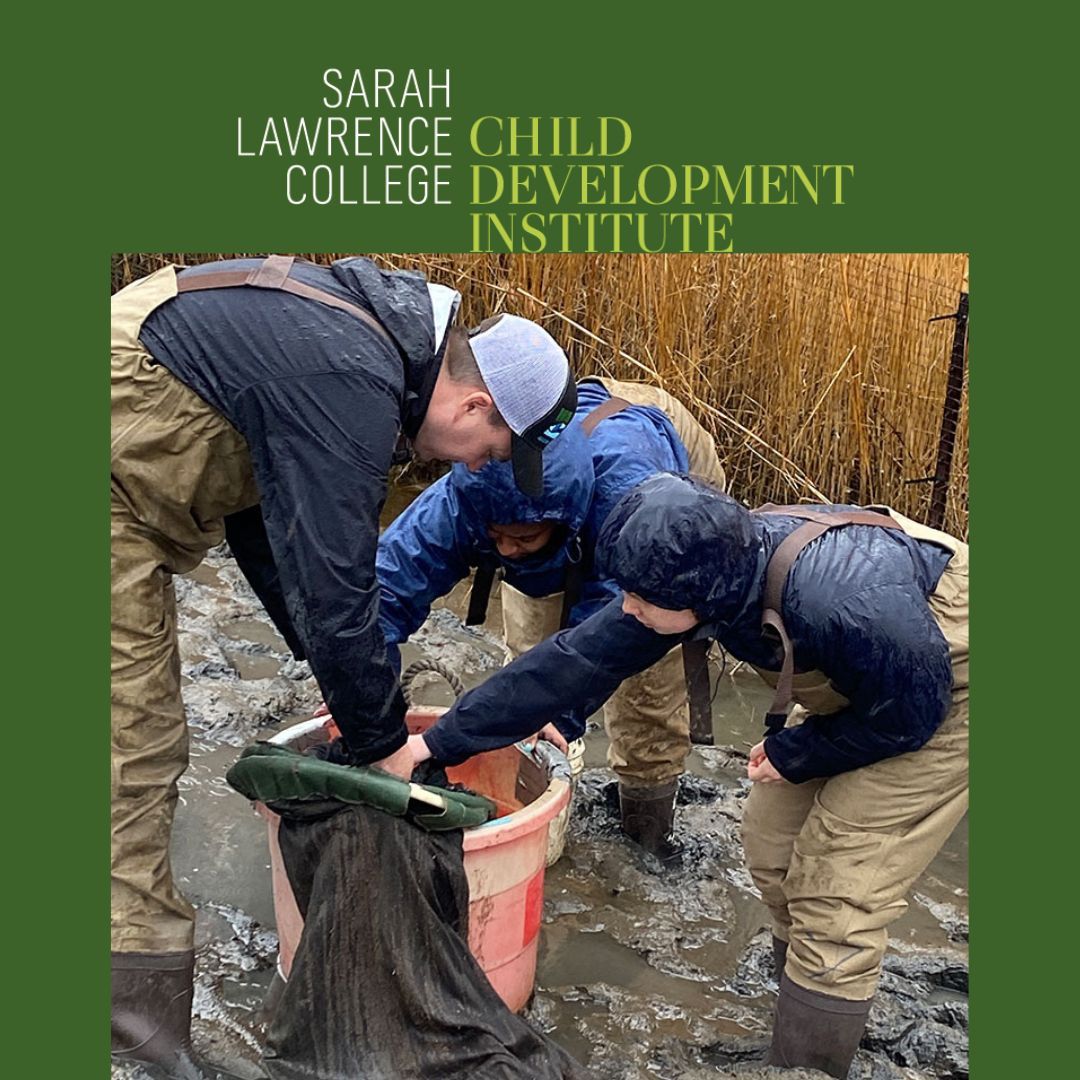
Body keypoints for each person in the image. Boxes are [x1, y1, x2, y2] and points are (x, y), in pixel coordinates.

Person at [110, 254, 576, 1080]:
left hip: (141, 446)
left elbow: (265, 517)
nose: (477, 467)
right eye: (492, 447)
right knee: (133, 746)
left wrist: (334, 673)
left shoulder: (362, 350)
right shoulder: (351, 374)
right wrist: (383, 738)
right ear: (473, 401)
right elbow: (339, 579)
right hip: (113, 474)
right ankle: (138, 1040)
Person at [410, 473, 968, 1079]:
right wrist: (435, 744)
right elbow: (574, 662)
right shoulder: (693, 574)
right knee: (772, 842)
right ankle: (808, 1007)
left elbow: (912, 716)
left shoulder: (839, 603)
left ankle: (804, 1066)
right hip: (873, 678)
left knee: (838, 886)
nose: (627, 608)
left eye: (640, 599)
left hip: (948, 692)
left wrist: (801, 751)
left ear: (699, 598)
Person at [376, 377, 726, 860]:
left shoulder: (634, 506)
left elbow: (606, 644)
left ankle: (646, 831)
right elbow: (387, 587)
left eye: (520, 540)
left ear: (559, 523)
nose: (504, 550)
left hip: (655, 461)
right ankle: (542, 787)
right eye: (494, 539)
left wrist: (561, 710)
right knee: (531, 663)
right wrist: (360, 689)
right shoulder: (467, 499)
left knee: (646, 686)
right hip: (549, 464)